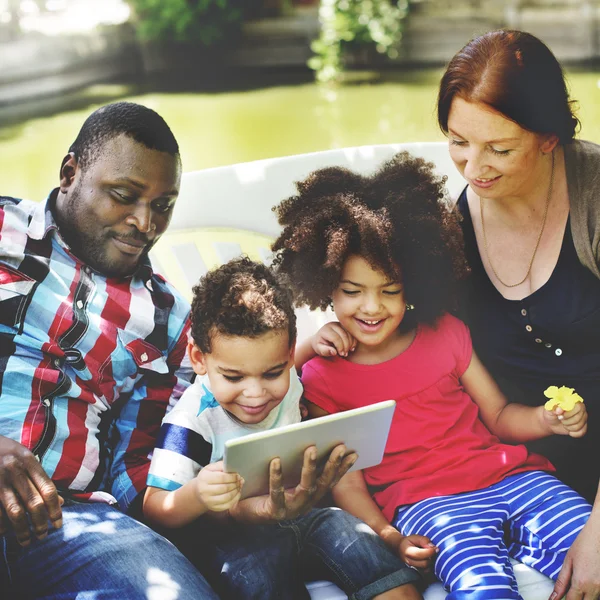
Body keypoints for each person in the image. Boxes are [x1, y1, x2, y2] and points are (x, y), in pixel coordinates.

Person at [270, 151, 592, 599]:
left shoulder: (446, 335)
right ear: (324, 286)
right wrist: (389, 536)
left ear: (415, 285)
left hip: (516, 480)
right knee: (484, 591)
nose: (371, 306)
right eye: (351, 291)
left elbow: (498, 415)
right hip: (429, 508)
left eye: (390, 290)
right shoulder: (321, 377)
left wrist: (545, 419)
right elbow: (346, 479)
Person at [0, 101, 221, 598]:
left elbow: (137, 463)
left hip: (71, 523)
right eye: (124, 196)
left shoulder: (170, 323)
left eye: (163, 205)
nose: (145, 223)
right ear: (69, 173)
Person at [143, 256, 423, 600]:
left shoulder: (290, 377)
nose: (256, 393)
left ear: (288, 356)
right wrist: (198, 492)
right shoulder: (191, 421)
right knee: (258, 583)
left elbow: (290, 361)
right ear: (199, 359)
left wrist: (315, 341)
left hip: (310, 516)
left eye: (272, 373)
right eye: (233, 377)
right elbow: (156, 506)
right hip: (238, 540)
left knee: (371, 555)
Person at [437, 29, 600, 599]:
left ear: (550, 138)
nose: (472, 168)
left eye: (499, 149)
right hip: (514, 473)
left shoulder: (596, 201)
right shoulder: (449, 225)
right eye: (457, 141)